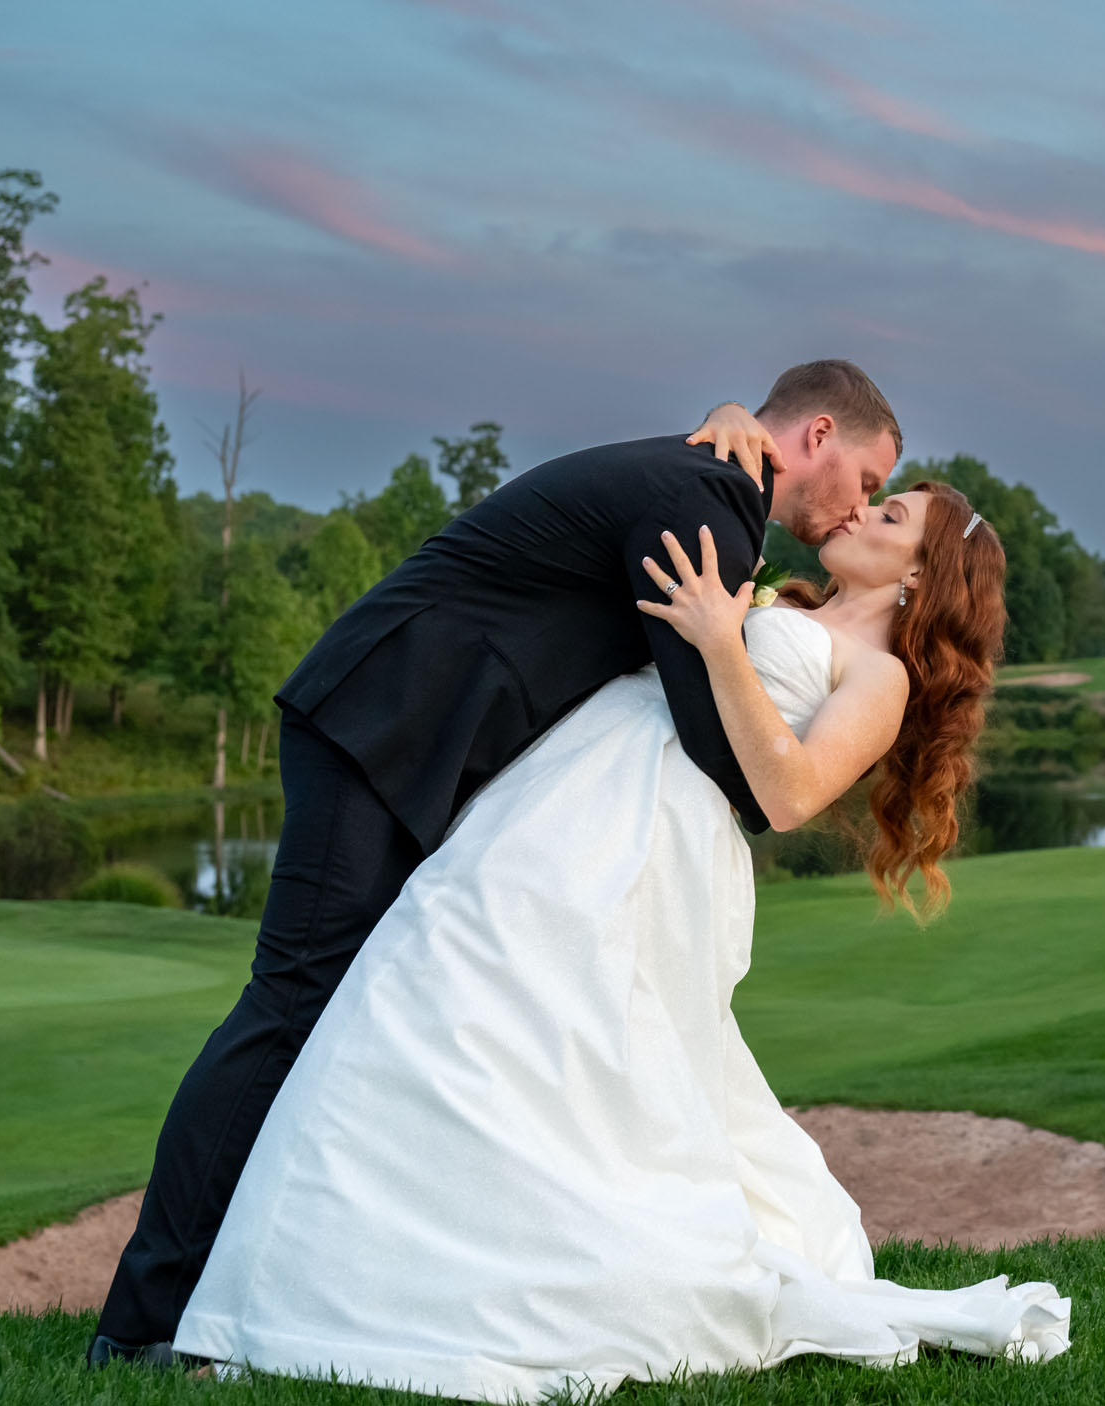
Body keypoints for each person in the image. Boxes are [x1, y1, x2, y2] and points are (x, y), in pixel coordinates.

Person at [168, 469, 1068, 1398]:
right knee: (427, 982)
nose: (860, 514)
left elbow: (792, 794)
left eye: (891, 517)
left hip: (653, 839)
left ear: (920, 579)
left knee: (574, 1037)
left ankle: (497, 1280)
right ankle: (308, 1286)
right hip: (558, 793)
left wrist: (724, 643)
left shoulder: (879, 677)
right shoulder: (774, 597)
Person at [92, 361, 903, 1363]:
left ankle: (241, 1300)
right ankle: (136, 1331)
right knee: (287, 1010)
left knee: (326, 1015)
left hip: (413, 745)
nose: (859, 505)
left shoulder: (705, 480)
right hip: (382, 728)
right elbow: (720, 747)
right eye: (867, 478)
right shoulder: (711, 498)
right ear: (816, 435)